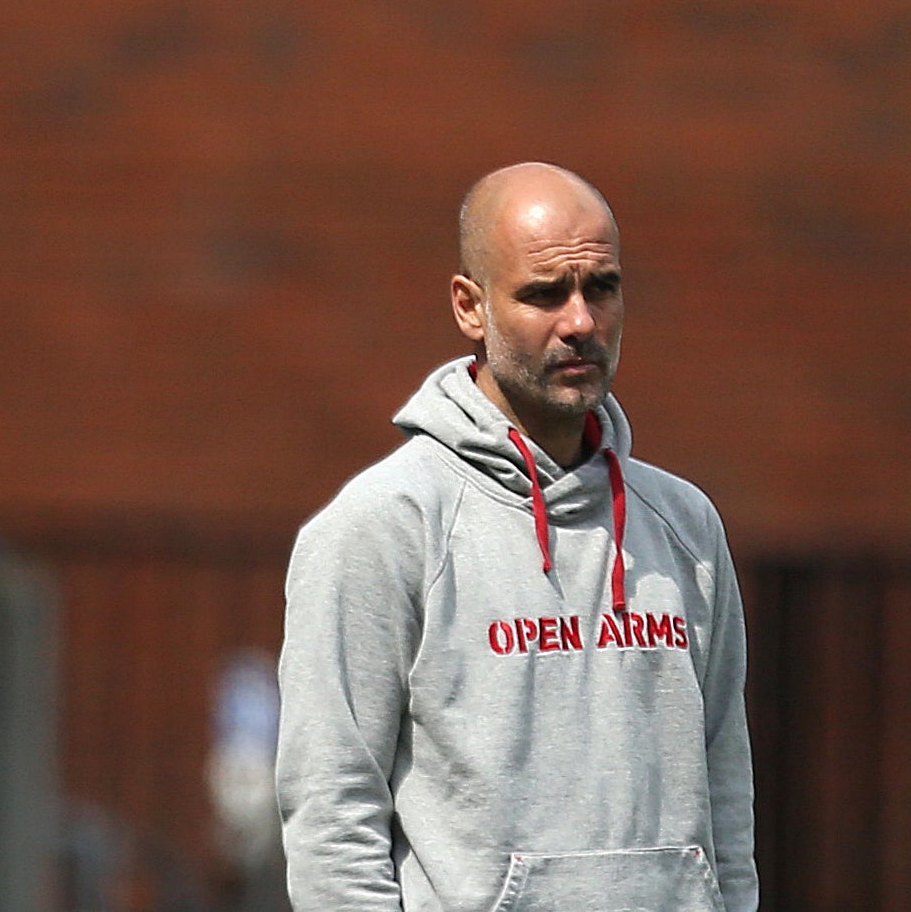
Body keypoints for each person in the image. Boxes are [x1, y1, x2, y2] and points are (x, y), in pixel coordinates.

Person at [275, 162, 758, 911]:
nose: (580, 322)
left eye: (601, 286)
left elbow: (725, 792)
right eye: (543, 293)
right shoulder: (385, 527)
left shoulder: (685, 524)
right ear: (470, 306)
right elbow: (332, 815)